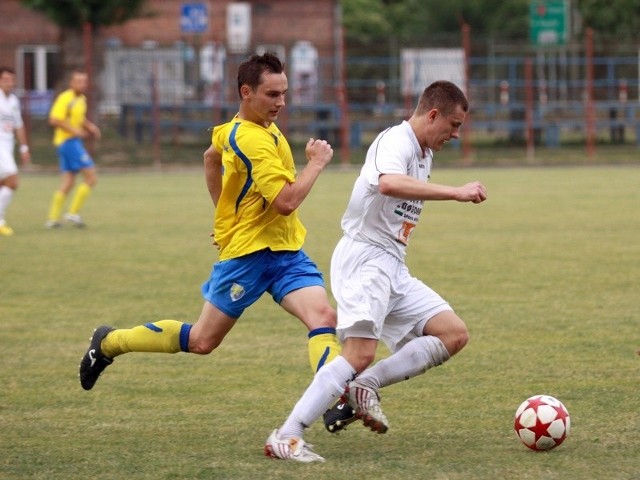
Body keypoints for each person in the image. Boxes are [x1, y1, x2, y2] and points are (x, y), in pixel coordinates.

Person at [79, 53, 341, 393]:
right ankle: (110, 342)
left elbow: (210, 157)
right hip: (248, 255)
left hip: (286, 251)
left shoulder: (251, 128)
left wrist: (226, 219)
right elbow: (287, 202)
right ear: (246, 92)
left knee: (323, 318)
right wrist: (316, 163)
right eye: (272, 95)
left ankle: (337, 398)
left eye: (283, 93)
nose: (282, 102)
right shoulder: (250, 138)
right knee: (203, 341)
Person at [265, 80, 488, 463]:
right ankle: (287, 435)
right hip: (365, 258)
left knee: (452, 333)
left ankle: (364, 387)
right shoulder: (395, 142)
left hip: (392, 264)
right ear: (432, 114)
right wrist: (456, 192)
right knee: (358, 353)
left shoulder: (424, 153)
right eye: (453, 125)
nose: (455, 134)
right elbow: (387, 184)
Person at [45, 70, 101, 228]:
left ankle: (52, 218)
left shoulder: (81, 99)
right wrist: (73, 130)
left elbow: (79, 118)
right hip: (68, 142)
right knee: (91, 177)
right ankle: (73, 213)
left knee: (69, 181)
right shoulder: (65, 98)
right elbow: (54, 119)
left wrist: (90, 126)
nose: (82, 84)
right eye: (78, 81)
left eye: (84, 81)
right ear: (71, 83)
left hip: (70, 142)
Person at [0, 66, 31, 236]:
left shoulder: (13, 101)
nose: (9, 83)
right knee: (13, 180)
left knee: (4, 184)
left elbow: (18, 126)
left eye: (12, 80)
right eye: (5, 80)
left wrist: (24, 147)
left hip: (7, 146)